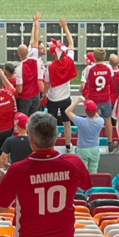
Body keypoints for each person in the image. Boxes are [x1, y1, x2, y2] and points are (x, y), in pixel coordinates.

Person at [0, 112, 92, 237]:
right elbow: (87, 185)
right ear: (56, 137)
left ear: (31, 139)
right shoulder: (74, 162)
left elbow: (1, 208)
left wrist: (6, 181)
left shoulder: (17, 170)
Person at [44, 18, 76, 153]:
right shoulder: (69, 60)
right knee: (66, 123)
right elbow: (71, 43)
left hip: (52, 99)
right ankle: (68, 146)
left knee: (51, 124)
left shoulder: (50, 68)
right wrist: (65, 27)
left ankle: (50, 146)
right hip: (66, 99)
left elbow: (47, 84)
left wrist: (44, 94)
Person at [83, 48, 118, 154]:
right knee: (108, 121)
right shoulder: (108, 68)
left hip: (93, 99)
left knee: (91, 120)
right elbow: (110, 79)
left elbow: (85, 82)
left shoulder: (89, 68)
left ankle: (89, 144)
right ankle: (110, 144)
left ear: (94, 57)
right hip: (105, 99)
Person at [14, 12, 45, 116]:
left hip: (24, 99)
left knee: (24, 121)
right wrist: (36, 23)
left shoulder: (19, 69)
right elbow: (35, 40)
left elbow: (19, 89)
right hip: (35, 96)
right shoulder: (34, 59)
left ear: (18, 54)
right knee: (34, 121)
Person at [66, 98, 105, 173]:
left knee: (83, 173)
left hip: (82, 150)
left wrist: (77, 101)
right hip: (95, 149)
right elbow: (95, 115)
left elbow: (67, 111)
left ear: (85, 111)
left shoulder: (81, 121)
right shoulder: (101, 121)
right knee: (93, 172)